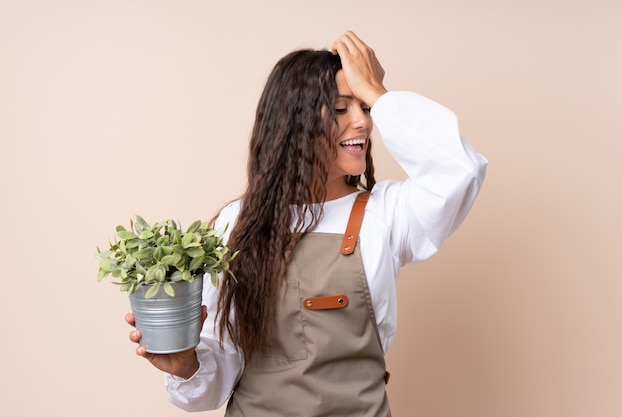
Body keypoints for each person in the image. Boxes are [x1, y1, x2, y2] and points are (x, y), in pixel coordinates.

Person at [126, 30, 487, 416]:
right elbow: (215, 379)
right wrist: (185, 366)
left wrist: (379, 93)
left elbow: (460, 170)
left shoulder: (387, 214)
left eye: (364, 107)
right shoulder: (237, 225)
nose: (363, 123)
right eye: (341, 108)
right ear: (294, 122)